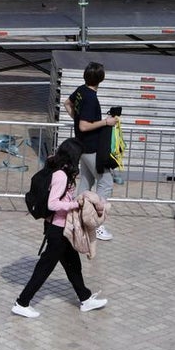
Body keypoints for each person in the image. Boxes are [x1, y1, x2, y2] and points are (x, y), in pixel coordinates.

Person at [12, 138, 108, 318]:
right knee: (45, 267)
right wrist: (74, 205)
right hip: (57, 229)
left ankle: (85, 298)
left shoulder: (58, 168)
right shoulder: (61, 175)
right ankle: (22, 302)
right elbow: (53, 204)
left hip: (61, 228)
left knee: (73, 265)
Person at [65, 61, 116, 242]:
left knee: (86, 182)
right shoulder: (91, 98)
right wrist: (106, 122)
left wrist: (76, 119)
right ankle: (96, 223)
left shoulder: (80, 90)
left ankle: (75, 218)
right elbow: (84, 126)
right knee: (106, 181)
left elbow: (67, 104)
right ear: (101, 79)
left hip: (82, 146)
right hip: (91, 147)